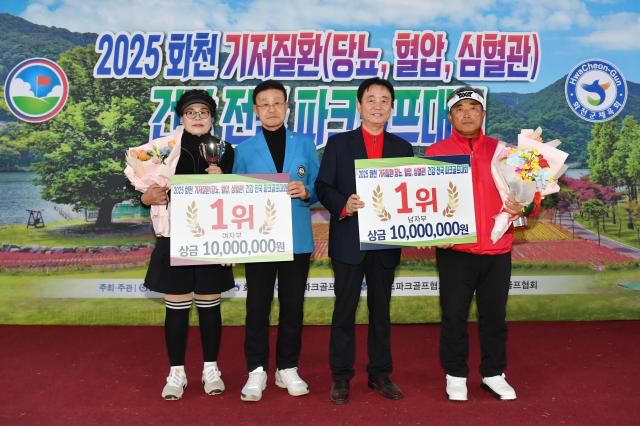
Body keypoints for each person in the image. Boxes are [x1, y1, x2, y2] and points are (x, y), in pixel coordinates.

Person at [125, 89, 235, 400]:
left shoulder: (225, 150)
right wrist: (146, 197)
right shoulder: (162, 150)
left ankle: (211, 369)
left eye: (204, 112)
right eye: (191, 112)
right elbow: (146, 191)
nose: (197, 117)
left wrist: (222, 178)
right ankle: (176, 372)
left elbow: (235, 197)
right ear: (181, 118)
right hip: (174, 236)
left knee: (210, 305)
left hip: (212, 237)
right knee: (177, 307)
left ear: (212, 118)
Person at [315, 77, 414, 405]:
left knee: (381, 311)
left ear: (391, 108)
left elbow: (410, 194)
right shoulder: (339, 144)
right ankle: (341, 376)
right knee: (344, 311)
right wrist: (344, 204)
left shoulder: (402, 148)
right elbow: (323, 186)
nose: (377, 105)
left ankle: (380, 373)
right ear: (359, 105)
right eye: (371, 99)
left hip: (385, 241)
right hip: (349, 240)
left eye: (384, 100)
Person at [425, 86, 523, 402]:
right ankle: (455, 375)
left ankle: (494, 374)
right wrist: (432, 231)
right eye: (460, 109)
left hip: (497, 248)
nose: (467, 114)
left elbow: (529, 196)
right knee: (453, 315)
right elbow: (424, 202)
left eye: (473, 108)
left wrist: (524, 206)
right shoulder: (435, 153)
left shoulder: (504, 152)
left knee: (494, 316)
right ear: (450, 116)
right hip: (455, 250)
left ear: (483, 114)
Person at [233, 80, 320, 402]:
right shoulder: (243, 150)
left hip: (297, 238)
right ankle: (256, 369)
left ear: (287, 106)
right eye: (264, 104)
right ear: (255, 110)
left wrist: (307, 191)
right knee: (257, 306)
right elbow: (233, 195)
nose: (271, 109)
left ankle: (287, 367)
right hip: (259, 240)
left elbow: (320, 187)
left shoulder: (305, 144)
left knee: (292, 306)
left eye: (277, 102)